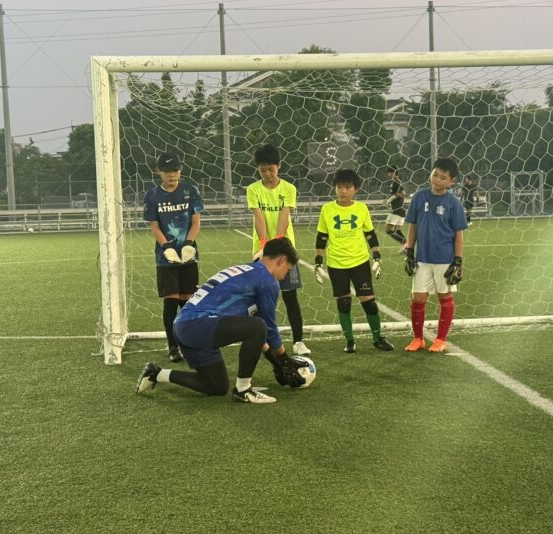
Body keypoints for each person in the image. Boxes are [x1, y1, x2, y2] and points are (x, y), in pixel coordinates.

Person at [136, 238, 309, 404]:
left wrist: (275, 361)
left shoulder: (246, 271)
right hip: (197, 325)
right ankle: (243, 389)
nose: (284, 276)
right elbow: (266, 328)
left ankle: (156, 374)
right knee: (259, 325)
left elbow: (255, 332)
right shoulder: (267, 280)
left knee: (216, 386)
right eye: (287, 269)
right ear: (281, 260)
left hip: (185, 326)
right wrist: (284, 360)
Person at [313, 168, 395, 354]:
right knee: (344, 303)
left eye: (348, 187)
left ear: (356, 189)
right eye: (339, 187)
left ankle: (378, 338)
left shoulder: (361, 208)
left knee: (369, 303)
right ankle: (349, 341)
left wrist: (377, 256)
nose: (343, 191)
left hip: (359, 262)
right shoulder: (327, 209)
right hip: (336, 263)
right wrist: (318, 260)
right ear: (335, 188)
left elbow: (370, 234)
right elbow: (322, 236)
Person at [247, 144, 311, 356]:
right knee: (260, 299)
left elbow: (284, 216)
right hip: (262, 251)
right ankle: (261, 340)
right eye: (262, 170)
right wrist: (264, 244)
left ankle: (298, 341)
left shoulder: (289, 189)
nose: (267, 174)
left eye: (271, 169)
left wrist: (277, 244)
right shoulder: (253, 189)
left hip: (285, 251)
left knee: (290, 297)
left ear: (279, 166)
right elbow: (259, 218)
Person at [402, 158, 468, 353]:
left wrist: (457, 261)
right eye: (435, 174)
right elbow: (413, 226)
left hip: (445, 259)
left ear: (451, 182)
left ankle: (440, 339)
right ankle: (418, 339)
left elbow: (459, 234)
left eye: (443, 177)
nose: (437, 179)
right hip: (422, 259)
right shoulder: (419, 197)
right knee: (418, 298)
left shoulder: (453, 203)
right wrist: (410, 252)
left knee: (444, 296)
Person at [143, 151, 203, 364]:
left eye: (175, 170)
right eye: (167, 171)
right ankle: (173, 346)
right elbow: (155, 226)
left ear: (180, 171)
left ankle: (188, 343)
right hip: (165, 258)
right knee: (171, 301)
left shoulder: (190, 191)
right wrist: (167, 247)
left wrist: (188, 243)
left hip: (188, 256)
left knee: (187, 302)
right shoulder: (152, 196)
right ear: (158, 172)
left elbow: (196, 222)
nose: (171, 174)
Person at [382, 167, 407, 252]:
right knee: (397, 231)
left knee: (388, 230)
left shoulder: (396, 181)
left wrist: (391, 198)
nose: (388, 174)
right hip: (401, 209)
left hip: (396, 210)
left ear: (393, 172)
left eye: (389, 172)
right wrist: (388, 199)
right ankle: (405, 247)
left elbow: (402, 193)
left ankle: (405, 243)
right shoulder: (396, 181)